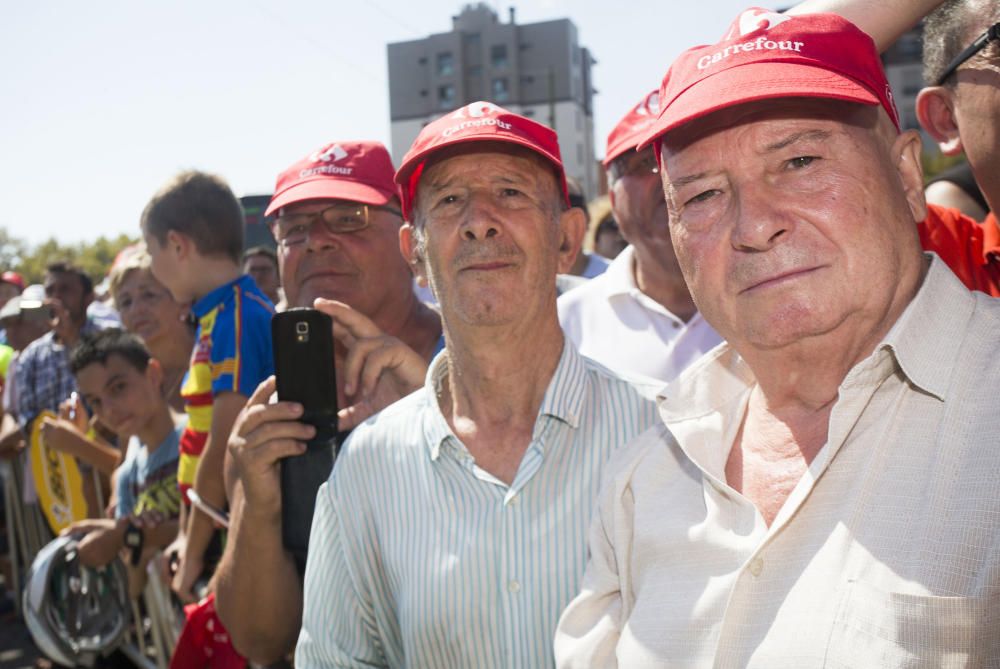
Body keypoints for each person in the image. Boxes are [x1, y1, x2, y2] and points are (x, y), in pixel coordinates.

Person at [554, 9, 1000, 666]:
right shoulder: (643, 475)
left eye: (799, 159)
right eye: (702, 194)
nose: (754, 224)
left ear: (908, 178)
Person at [291, 102, 660, 668]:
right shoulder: (366, 468)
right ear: (414, 251)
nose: (479, 220)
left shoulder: (660, 435)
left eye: (510, 193)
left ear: (567, 237)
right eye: (448, 200)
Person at [215, 140, 442, 664]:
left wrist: (431, 418)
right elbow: (260, 641)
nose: (315, 241)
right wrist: (260, 505)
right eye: (293, 228)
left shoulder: (477, 362)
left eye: (349, 217)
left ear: (410, 242)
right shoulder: (269, 418)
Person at [140, 170, 274, 604]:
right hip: (210, 524)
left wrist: (192, 549)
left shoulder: (237, 318)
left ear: (177, 245)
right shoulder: (218, 314)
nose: (150, 266)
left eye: (150, 250)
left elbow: (224, 442)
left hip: (228, 533)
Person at [558, 90, 722, 383]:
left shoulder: (776, 296)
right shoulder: (565, 323)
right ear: (612, 199)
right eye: (645, 163)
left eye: (685, 157)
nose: (668, 176)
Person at [58, 329, 182, 594]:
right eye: (95, 402)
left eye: (118, 388)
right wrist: (135, 544)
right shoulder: (127, 476)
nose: (109, 410)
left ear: (153, 374)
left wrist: (134, 535)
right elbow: (135, 587)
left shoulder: (197, 441)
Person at [108, 246, 195, 412]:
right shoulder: (129, 378)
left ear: (182, 301)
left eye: (148, 295)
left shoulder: (214, 356)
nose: (136, 310)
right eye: (126, 302)